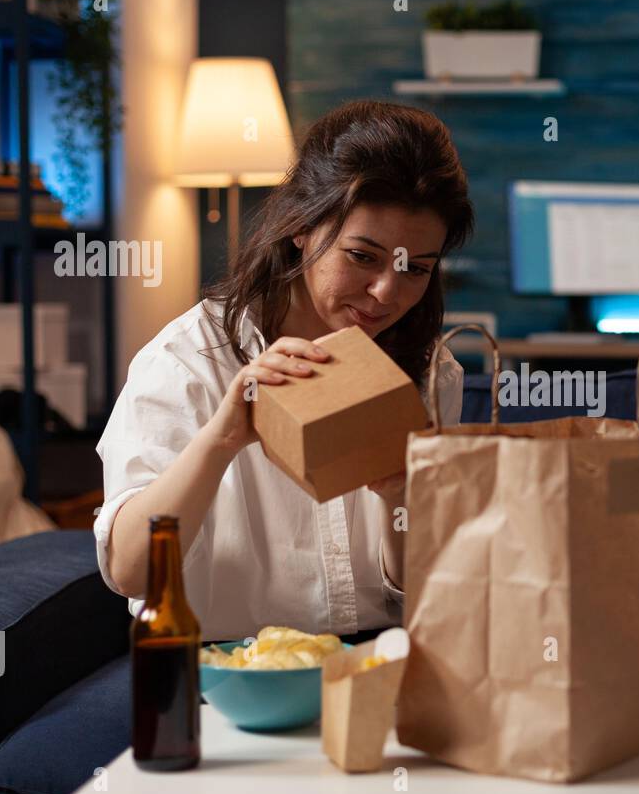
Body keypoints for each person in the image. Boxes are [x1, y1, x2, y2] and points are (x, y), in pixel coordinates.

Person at [94, 100, 474, 641]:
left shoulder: (432, 373)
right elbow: (132, 571)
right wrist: (220, 441)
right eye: (362, 256)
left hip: (376, 666)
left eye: (414, 269)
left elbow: (432, 591)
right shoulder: (185, 361)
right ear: (301, 225)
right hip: (226, 674)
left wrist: (398, 498)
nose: (387, 293)